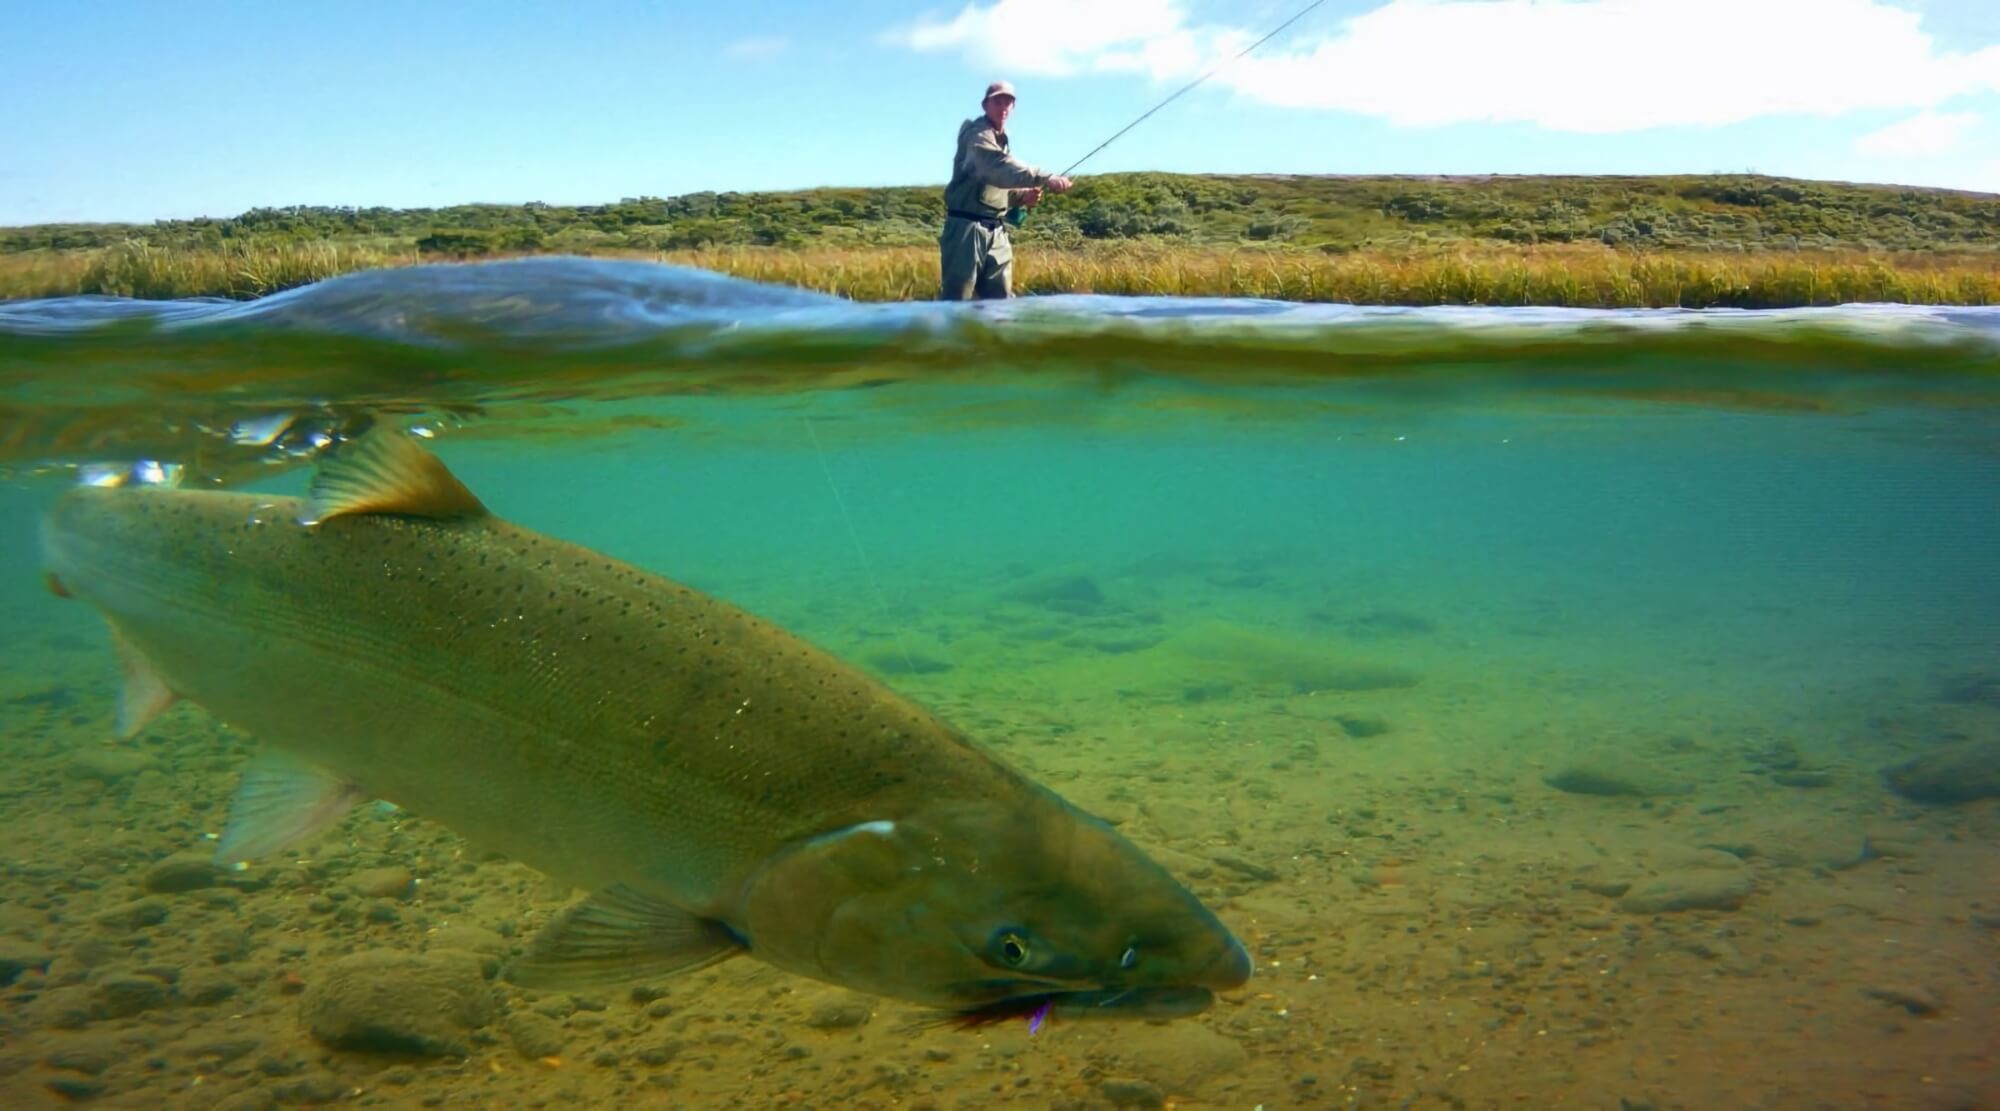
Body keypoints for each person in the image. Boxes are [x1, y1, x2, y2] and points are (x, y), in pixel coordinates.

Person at [939, 80, 1074, 301]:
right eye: (997, 102)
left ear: (1013, 108)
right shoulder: (978, 135)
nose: (1003, 107)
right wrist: (1045, 177)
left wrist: (1022, 196)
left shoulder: (1001, 140)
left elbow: (994, 188)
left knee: (1000, 303)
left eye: (1008, 103)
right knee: (957, 301)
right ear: (985, 106)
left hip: (997, 231)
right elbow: (997, 168)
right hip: (966, 229)